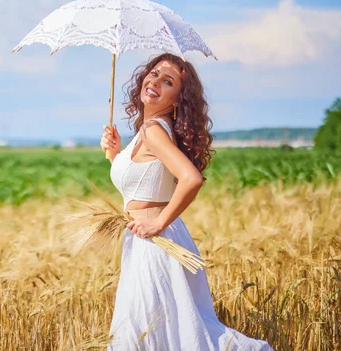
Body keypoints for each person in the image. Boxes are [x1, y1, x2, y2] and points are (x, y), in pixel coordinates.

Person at [100, 53, 273, 350]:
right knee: (168, 332)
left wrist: (158, 222)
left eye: (167, 81)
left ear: (178, 99)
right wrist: (115, 154)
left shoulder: (155, 131)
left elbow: (191, 179)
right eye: (153, 73)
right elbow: (144, 184)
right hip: (152, 239)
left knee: (151, 333)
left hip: (155, 242)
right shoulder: (150, 128)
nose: (154, 81)